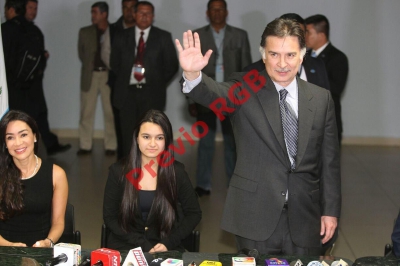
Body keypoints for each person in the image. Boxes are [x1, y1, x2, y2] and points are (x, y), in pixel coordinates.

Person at [176, 17, 341, 255]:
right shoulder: (245, 88)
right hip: (255, 216)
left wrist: (330, 210)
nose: (282, 63)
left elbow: (330, 163)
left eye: (290, 55)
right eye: (274, 54)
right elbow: (215, 94)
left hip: (306, 217)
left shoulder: (321, 98)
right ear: (263, 55)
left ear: (302, 55)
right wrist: (193, 75)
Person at [103, 109, 201, 251]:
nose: (153, 144)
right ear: (136, 138)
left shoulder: (177, 172)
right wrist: (142, 244)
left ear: (167, 140)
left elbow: (194, 214)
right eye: (146, 137)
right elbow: (109, 217)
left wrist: (169, 242)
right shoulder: (118, 172)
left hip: (165, 248)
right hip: (125, 245)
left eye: (159, 138)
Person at [190, 0, 252, 197]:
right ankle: (202, 184)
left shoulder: (240, 35)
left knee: (232, 143)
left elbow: (246, 69)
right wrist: (191, 100)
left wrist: (245, 98)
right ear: (208, 13)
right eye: (213, 9)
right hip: (205, 95)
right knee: (205, 142)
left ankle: (234, 184)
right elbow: (190, 69)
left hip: (232, 96)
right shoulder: (197, 35)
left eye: (220, 9)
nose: (217, 12)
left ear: (226, 12)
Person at [110, 1, 179, 158]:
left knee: (150, 135)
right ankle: (128, 171)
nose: (144, 16)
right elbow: (114, 64)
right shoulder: (121, 36)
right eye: (141, 13)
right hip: (126, 94)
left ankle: (149, 170)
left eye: (148, 13)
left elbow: (172, 66)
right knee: (127, 135)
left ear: (153, 17)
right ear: (134, 15)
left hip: (151, 94)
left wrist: (157, 82)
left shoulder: (163, 36)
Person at [2, 0, 71, 155]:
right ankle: (43, 146)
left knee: (12, 119)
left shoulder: (4, 30)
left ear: (10, 9)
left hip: (10, 84)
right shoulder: (34, 30)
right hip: (33, 83)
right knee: (38, 115)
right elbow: (39, 60)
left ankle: (12, 150)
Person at [0, 110, 68, 247]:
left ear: (35, 137)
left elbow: (58, 222)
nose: (18, 143)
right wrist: (9, 245)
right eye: (10, 137)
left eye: (23, 135)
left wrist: (48, 242)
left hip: (41, 249)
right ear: (5, 144)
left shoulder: (57, 174)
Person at [244, 13, 330, 91]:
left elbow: (325, 102)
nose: (294, 38)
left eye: (299, 33)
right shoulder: (252, 72)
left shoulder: (317, 65)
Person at [305, 14, 349, 144]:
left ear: (321, 35)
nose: (305, 36)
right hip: (305, 123)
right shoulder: (304, 56)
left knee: (328, 163)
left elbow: (335, 89)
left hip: (327, 123)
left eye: (308, 32)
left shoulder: (337, 58)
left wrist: (306, 83)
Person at [108, 0, 138, 160]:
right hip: (119, 84)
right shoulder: (113, 29)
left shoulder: (144, 30)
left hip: (142, 86)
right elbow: (109, 57)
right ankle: (123, 160)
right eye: (125, 8)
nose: (128, 11)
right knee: (121, 126)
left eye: (132, 8)